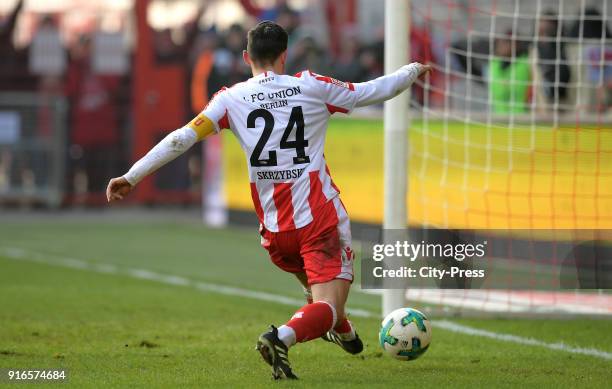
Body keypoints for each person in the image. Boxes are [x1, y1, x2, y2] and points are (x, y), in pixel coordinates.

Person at [106, 21, 430, 380]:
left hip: (274, 228)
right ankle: (281, 337)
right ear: (285, 55)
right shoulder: (310, 85)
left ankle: (344, 332)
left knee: (324, 301)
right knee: (327, 303)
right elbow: (372, 91)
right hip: (318, 217)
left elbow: (182, 138)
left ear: (247, 57)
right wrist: (413, 70)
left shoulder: (230, 98)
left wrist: (132, 175)